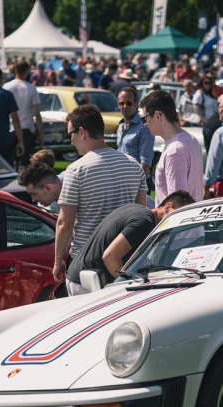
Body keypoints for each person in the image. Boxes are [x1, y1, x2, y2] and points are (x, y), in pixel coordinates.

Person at [55, 104, 148, 293]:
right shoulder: (133, 165)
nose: (70, 141)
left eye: (70, 134)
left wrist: (58, 261)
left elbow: (65, 223)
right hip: (125, 263)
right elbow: (143, 214)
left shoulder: (76, 170)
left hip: (85, 265)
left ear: (82, 132)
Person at [67, 190, 195, 292]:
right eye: (177, 216)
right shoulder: (144, 222)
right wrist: (127, 283)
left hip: (83, 277)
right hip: (87, 283)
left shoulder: (140, 212)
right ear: (168, 207)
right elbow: (110, 256)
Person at [141, 89, 203, 201]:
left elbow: (176, 205)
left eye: (145, 118)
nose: (145, 124)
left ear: (158, 115)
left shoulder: (174, 151)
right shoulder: (191, 140)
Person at [4, 61, 44, 168]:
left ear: (15, 70)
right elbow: (37, 113)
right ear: (27, 71)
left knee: (10, 163)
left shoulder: (6, 87)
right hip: (27, 128)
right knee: (26, 164)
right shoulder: (31, 88)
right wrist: (41, 133)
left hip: (10, 128)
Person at [115, 87, 153, 192]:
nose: (125, 106)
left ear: (136, 103)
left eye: (129, 103)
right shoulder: (121, 126)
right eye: (121, 103)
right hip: (122, 183)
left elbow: (145, 164)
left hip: (137, 185)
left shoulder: (144, 127)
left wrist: (133, 187)